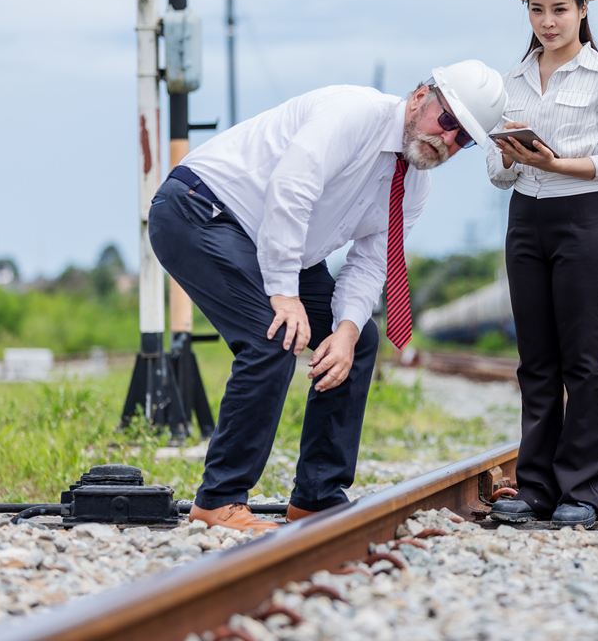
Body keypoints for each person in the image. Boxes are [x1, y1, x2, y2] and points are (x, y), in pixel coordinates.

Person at [148, 61, 507, 532]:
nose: (448, 141)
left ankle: (316, 498)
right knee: (271, 336)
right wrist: (283, 293)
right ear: (421, 97)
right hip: (201, 210)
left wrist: (344, 329)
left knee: (358, 340)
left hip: (276, 243)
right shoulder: (352, 113)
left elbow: (371, 262)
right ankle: (218, 500)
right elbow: (290, 190)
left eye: (463, 139)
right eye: (448, 122)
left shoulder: (414, 184)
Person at [486, 0, 598, 529]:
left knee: (581, 362)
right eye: (537, 9)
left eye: (559, 9)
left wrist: (553, 162)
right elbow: (501, 176)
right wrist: (509, 156)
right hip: (526, 221)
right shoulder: (513, 81)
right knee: (536, 364)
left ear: (582, 10)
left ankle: (583, 492)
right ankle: (536, 490)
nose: (547, 22)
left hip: (584, 221)